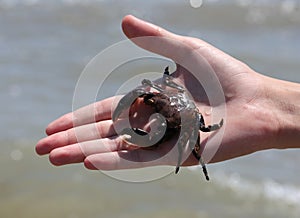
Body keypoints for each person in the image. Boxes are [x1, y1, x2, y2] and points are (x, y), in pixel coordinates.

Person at [35, 15, 300, 172]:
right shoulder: (165, 97)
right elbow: (162, 90)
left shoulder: (189, 120)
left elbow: (203, 128)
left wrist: (264, 106)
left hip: (182, 122)